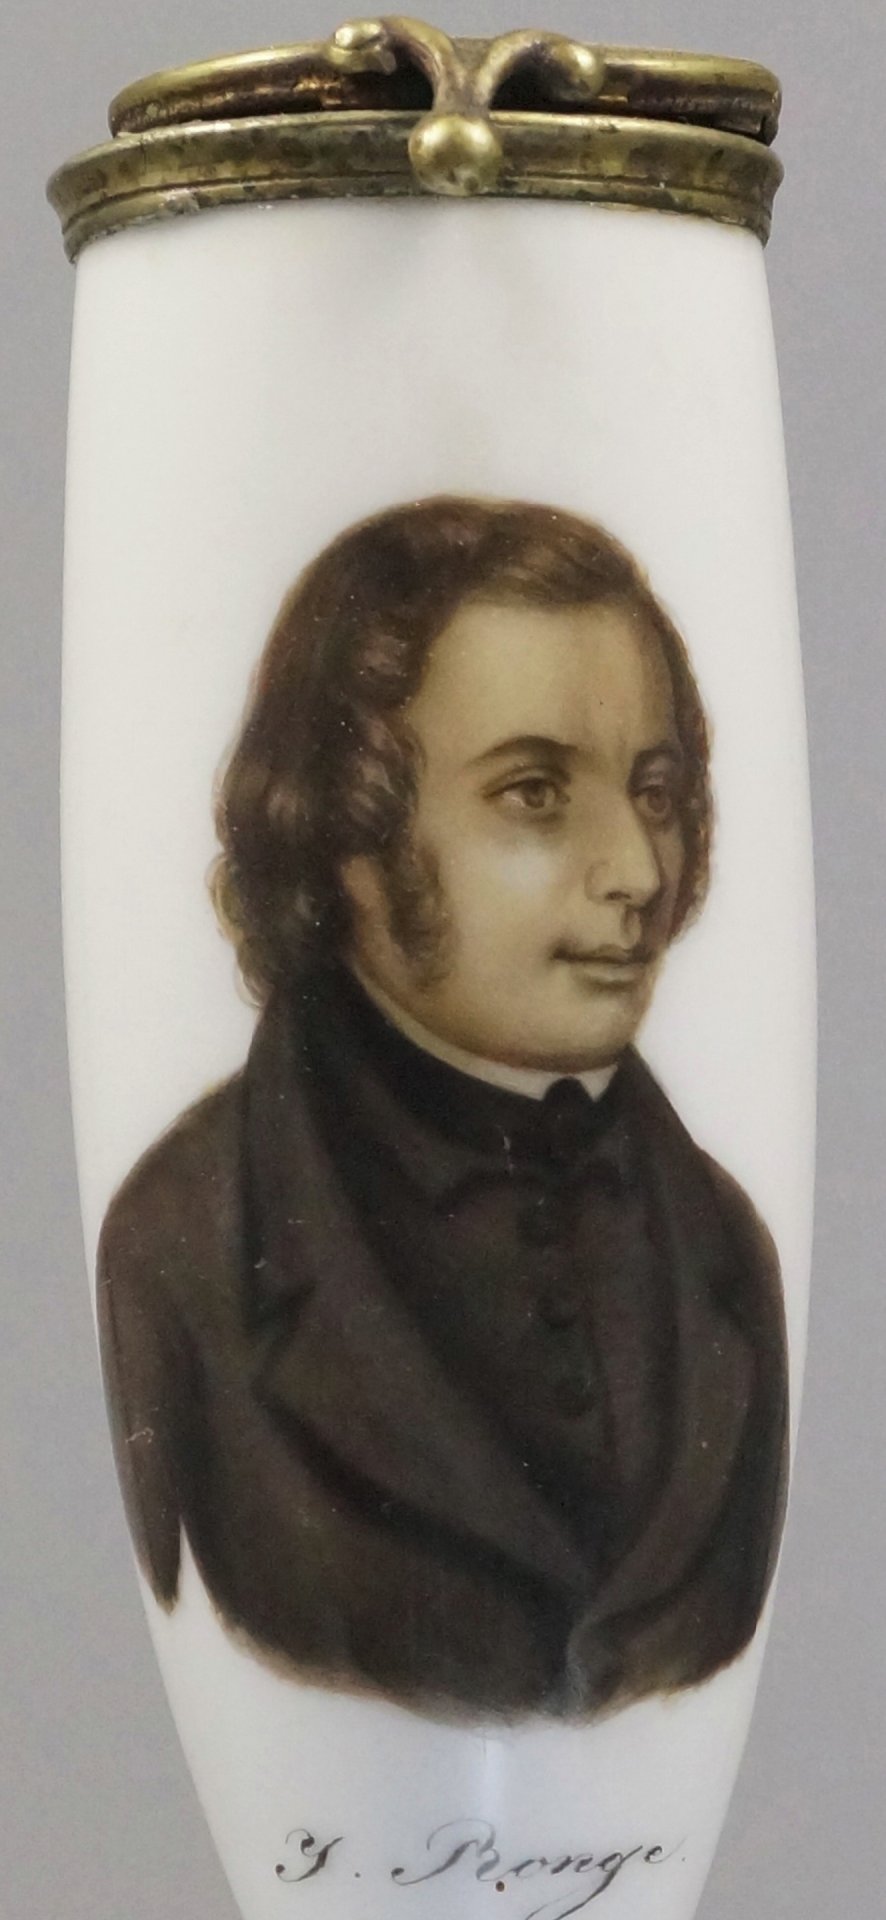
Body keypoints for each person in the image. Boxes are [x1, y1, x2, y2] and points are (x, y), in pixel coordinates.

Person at [98, 496, 788, 1723]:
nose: (638, 871)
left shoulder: (729, 1245)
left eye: (655, 791)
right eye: (535, 793)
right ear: (349, 831)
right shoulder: (180, 1247)